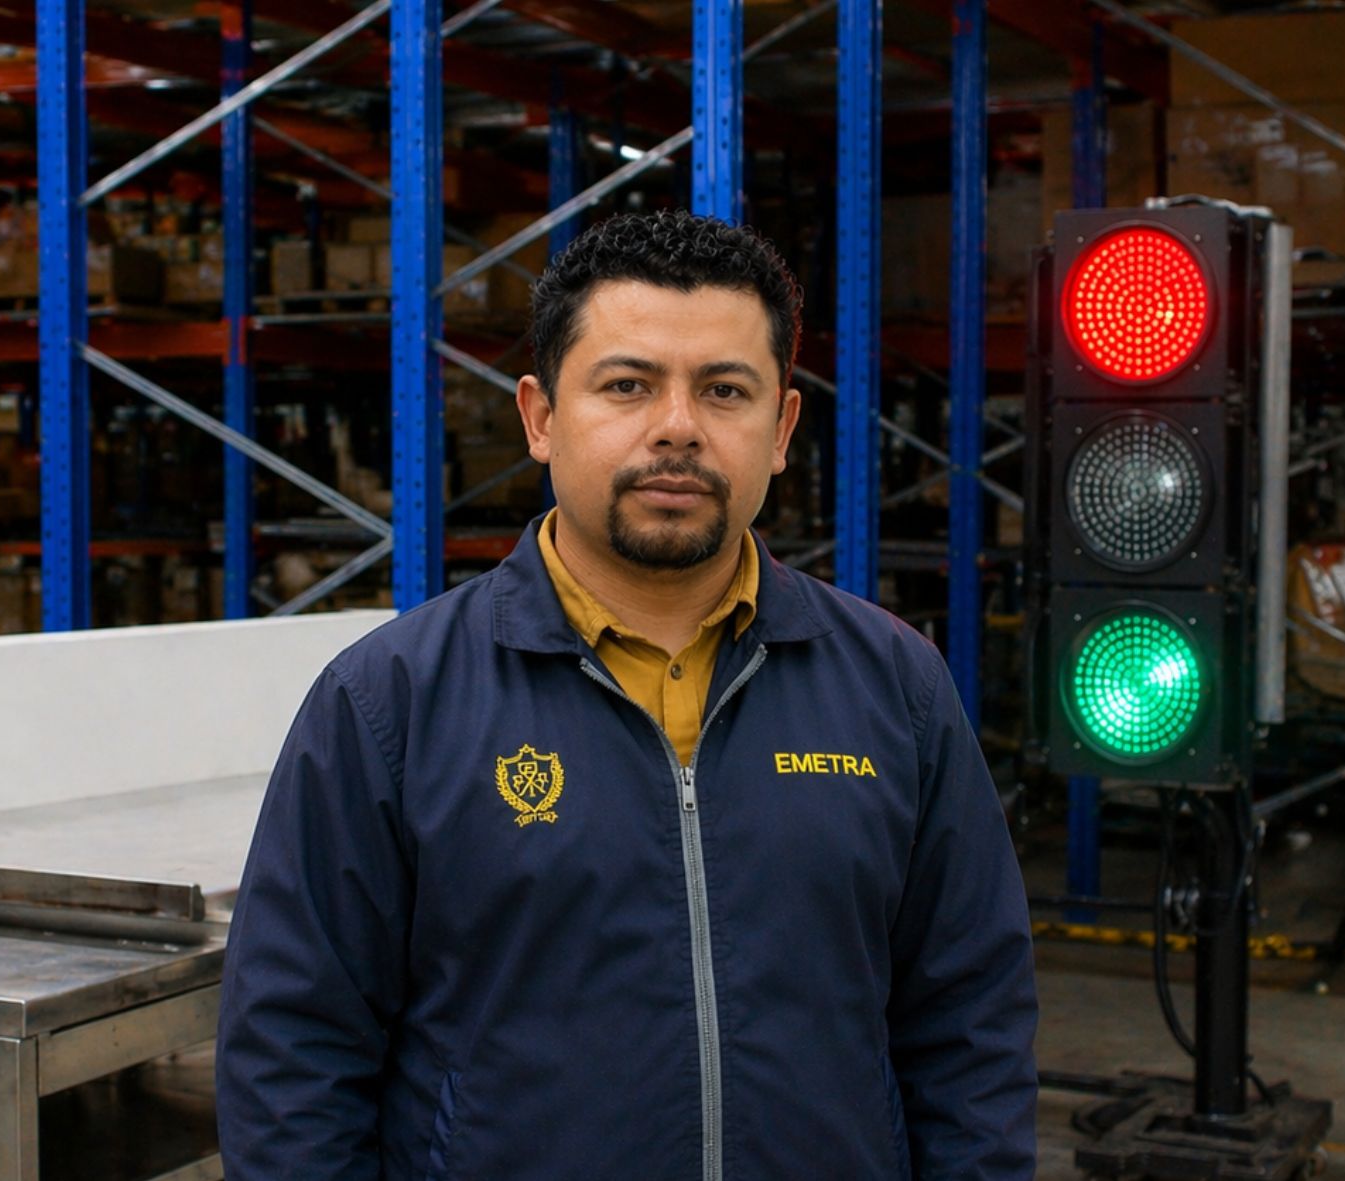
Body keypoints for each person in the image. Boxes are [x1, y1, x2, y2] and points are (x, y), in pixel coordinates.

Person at [216, 210, 1037, 1180]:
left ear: (780, 429)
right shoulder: (390, 703)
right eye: (627, 385)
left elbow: (970, 1025)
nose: (677, 426)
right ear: (539, 418)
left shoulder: (895, 688)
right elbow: (292, 1054)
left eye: (724, 390)